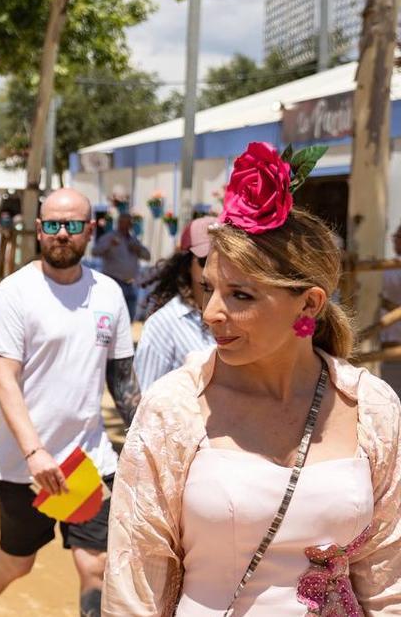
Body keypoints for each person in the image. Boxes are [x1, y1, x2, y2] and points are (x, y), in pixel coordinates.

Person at [104, 142, 401, 615]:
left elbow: (388, 578)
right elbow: (134, 582)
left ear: (308, 304)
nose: (212, 313)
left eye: (240, 295)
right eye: (210, 289)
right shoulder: (174, 409)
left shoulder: (372, 408)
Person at [0, 188, 138, 617]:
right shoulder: (15, 292)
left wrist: (149, 437)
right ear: (38, 230)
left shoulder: (109, 294)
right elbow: (3, 378)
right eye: (52, 224)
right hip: (24, 466)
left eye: (72, 225)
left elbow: (123, 381)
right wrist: (34, 452)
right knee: (17, 562)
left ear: (90, 231)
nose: (61, 233)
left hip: (87, 459)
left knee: (97, 563)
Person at [133, 216, 218, 389]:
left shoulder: (240, 316)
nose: (214, 267)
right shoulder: (163, 324)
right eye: (204, 260)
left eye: (223, 259)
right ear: (186, 264)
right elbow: (146, 397)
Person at [93, 212, 150, 320]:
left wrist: (138, 249)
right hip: (114, 281)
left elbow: (147, 256)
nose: (125, 225)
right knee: (114, 315)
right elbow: (95, 251)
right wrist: (109, 245)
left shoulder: (133, 239)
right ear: (118, 223)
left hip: (131, 283)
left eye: (128, 223)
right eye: (123, 222)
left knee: (129, 316)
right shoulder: (110, 237)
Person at [379, 222, 401, 394]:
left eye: (397, 237)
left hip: (392, 342)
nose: (394, 241)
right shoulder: (388, 267)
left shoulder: (389, 269)